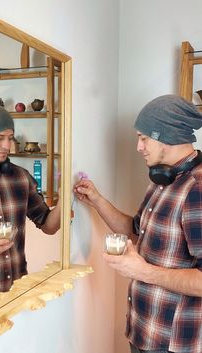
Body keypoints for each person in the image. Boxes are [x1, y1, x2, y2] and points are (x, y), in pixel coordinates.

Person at [74, 94, 202, 353]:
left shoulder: (196, 190)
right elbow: (136, 231)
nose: (138, 147)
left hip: (174, 344)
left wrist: (143, 271)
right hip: (143, 331)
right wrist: (97, 200)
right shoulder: (161, 179)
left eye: (144, 138)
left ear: (167, 135)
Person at [0, 103, 60, 309]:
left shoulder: (20, 177)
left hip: (16, 294)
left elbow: (48, 225)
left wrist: (65, 200)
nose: (7, 146)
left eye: (10, 138)